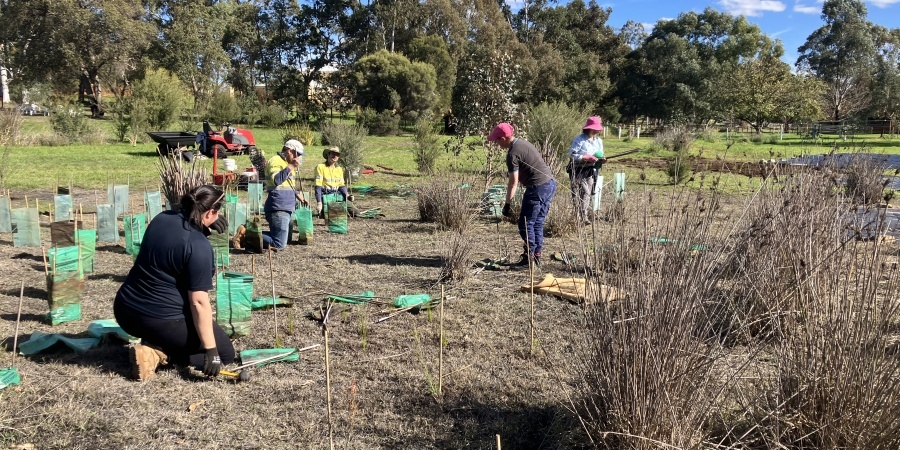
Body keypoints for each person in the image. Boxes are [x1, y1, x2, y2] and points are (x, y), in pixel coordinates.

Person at [114, 185, 235, 381]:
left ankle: (156, 341)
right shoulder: (199, 246)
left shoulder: (162, 218)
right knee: (226, 355)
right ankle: (158, 354)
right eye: (217, 212)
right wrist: (211, 350)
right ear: (210, 213)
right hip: (160, 319)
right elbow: (199, 302)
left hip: (125, 310)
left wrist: (203, 226)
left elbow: (178, 246)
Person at [489, 123, 557, 267]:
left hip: (537, 188)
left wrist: (507, 204)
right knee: (536, 223)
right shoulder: (523, 143)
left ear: (503, 138)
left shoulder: (512, 154)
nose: (496, 143)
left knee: (525, 224)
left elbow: (513, 183)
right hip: (549, 184)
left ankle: (530, 257)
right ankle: (535, 256)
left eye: (496, 140)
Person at [261, 139, 308, 249]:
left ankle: (250, 234)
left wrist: (298, 196)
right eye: (298, 154)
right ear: (290, 151)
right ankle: (248, 232)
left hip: (285, 207)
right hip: (278, 207)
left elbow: (287, 184)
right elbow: (276, 180)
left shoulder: (286, 164)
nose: (299, 158)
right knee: (279, 244)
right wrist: (291, 166)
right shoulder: (276, 161)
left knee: (281, 239)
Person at [568, 116, 607, 224]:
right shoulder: (579, 139)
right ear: (589, 128)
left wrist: (602, 160)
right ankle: (580, 216)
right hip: (577, 169)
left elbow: (600, 155)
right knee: (580, 192)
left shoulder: (598, 141)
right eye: (595, 128)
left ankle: (583, 216)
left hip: (591, 169)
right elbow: (571, 154)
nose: (597, 131)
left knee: (588, 193)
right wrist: (584, 157)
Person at [314, 146, 354, 218]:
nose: (335, 156)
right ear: (328, 154)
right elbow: (318, 186)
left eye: (337, 154)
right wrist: (319, 203)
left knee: (355, 212)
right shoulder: (320, 167)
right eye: (333, 154)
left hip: (337, 196)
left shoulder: (339, 169)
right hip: (326, 196)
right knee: (332, 215)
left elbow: (341, 185)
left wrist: (347, 196)